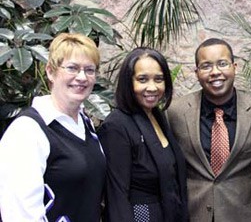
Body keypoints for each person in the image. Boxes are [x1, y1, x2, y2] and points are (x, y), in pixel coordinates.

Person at [0, 33, 106, 222]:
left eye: (89, 70)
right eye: (72, 68)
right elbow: (20, 215)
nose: (82, 77)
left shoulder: (84, 124)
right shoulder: (27, 131)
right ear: (50, 71)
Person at [167, 38, 251, 222]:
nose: (215, 72)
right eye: (206, 66)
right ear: (196, 73)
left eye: (222, 64)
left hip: (243, 215)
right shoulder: (176, 113)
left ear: (234, 66)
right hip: (193, 215)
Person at [97, 47, 188, 222]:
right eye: (142, 79)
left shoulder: (157, 116)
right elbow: (117, 196)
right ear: (128, 82)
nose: (152, 87)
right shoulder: (116, 126)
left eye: (159, 79)